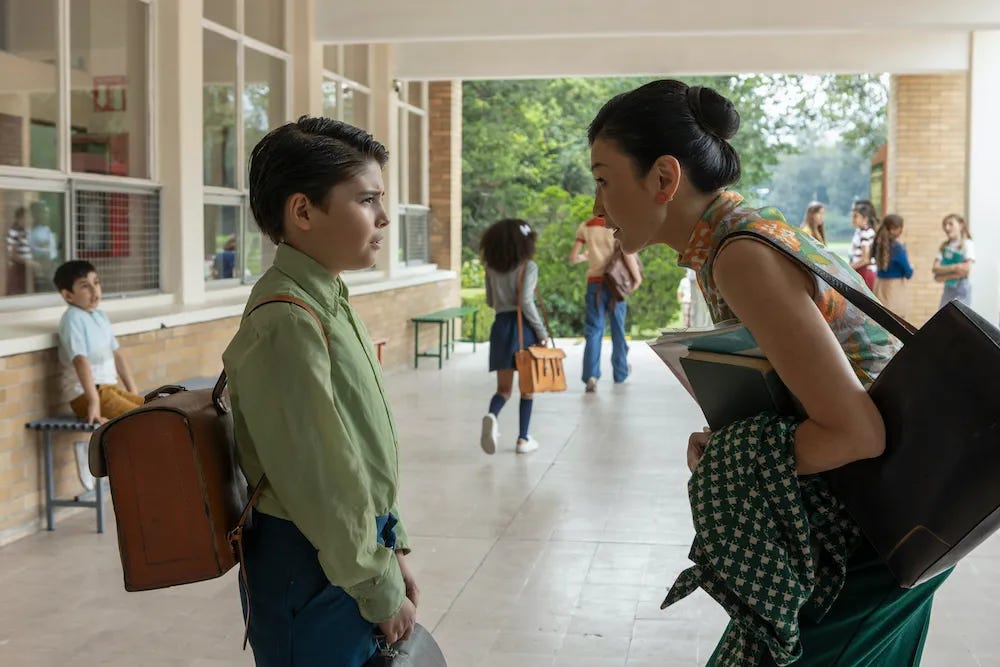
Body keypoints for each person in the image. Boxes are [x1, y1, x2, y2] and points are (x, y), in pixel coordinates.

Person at [588, 79, 950, 666]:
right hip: (908, 507)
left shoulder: (741, 255)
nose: (597, 209)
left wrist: (734, 458)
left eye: (604, 179)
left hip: (878, 528)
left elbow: (858, 433)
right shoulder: (739, 236)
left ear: (662, 179)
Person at [221, 117, 417, 666]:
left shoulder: (327, 297)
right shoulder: (286, 318)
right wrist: (375, 582)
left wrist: (391, 547)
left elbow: (362, 450)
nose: (382, 218)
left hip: (347, 553)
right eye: (367, 200)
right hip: (310, 564)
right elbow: (321, 477)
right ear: (303, 211)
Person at [479, 218, 548, 455]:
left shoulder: (491, 268)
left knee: (503, 389)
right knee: (527, 388)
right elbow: (526, 302)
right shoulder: (528, 267)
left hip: (500, 327)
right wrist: (541, 332)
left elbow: (490, 301)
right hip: (523, 329)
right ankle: (523, 438)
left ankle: (491, 415)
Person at [54, 260, 142, 425]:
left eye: (96, 283)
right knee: (143, 418)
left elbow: (117, 355)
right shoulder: (72, 318)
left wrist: (133, 391)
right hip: (86, 395)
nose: (94, 290)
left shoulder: (99, 316)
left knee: (154, 409)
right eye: (85, 286)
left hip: (109, 390)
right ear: (68, 295)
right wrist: (93, 402)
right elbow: (80, 360)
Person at [568, 216, 642, 392]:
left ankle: (591, 376)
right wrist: (637, 278)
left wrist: (587, 256)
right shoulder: (617, 223)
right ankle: (620, 373)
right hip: (616, 284)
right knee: (618, 329)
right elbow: (627, 252)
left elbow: (572, 258)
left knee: (593, 331)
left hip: (595, 283)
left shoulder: (585, 226)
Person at [872, 214, 914, 318]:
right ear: (896, 229)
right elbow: (908, 273)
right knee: (897, 322)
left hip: (879, 287)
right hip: (894, 290)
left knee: (881, 320)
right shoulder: (898, 248)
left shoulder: (878, 244)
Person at [932, 213, 974, 308]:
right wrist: (956, 267)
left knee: (959, 318)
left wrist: (944, 274)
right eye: (945, 225)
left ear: (961, 225)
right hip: (948, 288)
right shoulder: (944, 246)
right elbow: (935, 269)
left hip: (962, 288)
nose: (947, 228)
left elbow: (966, 270)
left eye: (950, 224)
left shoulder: (967, 244)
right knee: (943, 316)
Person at [849, 200, 878, 290]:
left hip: (865, 272)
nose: (852, 219)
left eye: (856, 216)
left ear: (865, 219)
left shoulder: (865, 233)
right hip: (861, 271)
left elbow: (865, 259)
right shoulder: (860, 231)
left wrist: (848, 268)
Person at [5, 207, 31, 295]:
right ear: (19, 218)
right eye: (25, 218)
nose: (28, 220)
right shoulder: (14, 232)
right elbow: (12, 255)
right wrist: (29, 262)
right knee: (16, 292)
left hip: (26, 269)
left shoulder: (25, 232)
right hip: (17, 268)